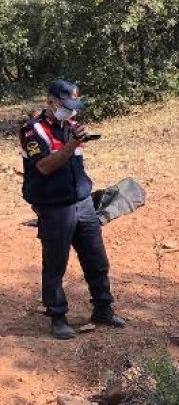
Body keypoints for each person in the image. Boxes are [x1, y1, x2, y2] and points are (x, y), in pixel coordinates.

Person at [20, 80, 125, 340]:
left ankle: (103, 308)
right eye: (66, 106)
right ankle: (57, 317)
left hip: (82, 202)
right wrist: (70, 145)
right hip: (54, 207)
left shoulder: (69, 127)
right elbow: (44, 167)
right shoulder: (33, 131)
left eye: (74, 107)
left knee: (96, 259)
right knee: (55, 263)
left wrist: (76, 139)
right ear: (51, 102)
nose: (71, 112)